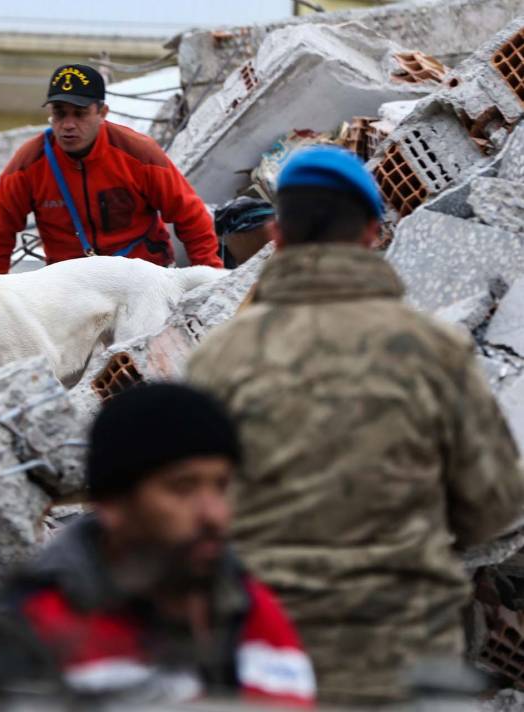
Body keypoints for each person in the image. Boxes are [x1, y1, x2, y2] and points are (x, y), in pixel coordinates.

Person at [186, 146, 524, 705]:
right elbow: (493, 507)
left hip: (269, 656)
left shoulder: (220, 360)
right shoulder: (432, 350)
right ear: (372, 232)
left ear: (277, 234)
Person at [0, 383, 314, 706]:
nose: (214, 514)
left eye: (221, 487)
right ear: (113, 504)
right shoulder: (37, 633)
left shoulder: (249, 608)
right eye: (183, 488)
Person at [0, 64, 222, 275]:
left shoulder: (138, 153)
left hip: (141, 277)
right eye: (60, 114)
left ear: (102, 112)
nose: (68, 125)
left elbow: (190, 216)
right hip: (70, 286)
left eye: (80, 114)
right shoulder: (28, 164)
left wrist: (210, 275)